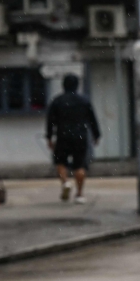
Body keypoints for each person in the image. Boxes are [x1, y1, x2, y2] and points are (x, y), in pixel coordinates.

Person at [46, 74, 100, 204]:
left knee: (60, 162)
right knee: (80, 165)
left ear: (63, 85)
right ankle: (80, 194)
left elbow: (50, 121)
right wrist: (96, 135)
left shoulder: (57, 101)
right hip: (80, 136)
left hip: (62, 135)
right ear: (77, 85)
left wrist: (49, 137)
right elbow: (92, 119)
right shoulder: (84, 100)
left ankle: (65, 182)